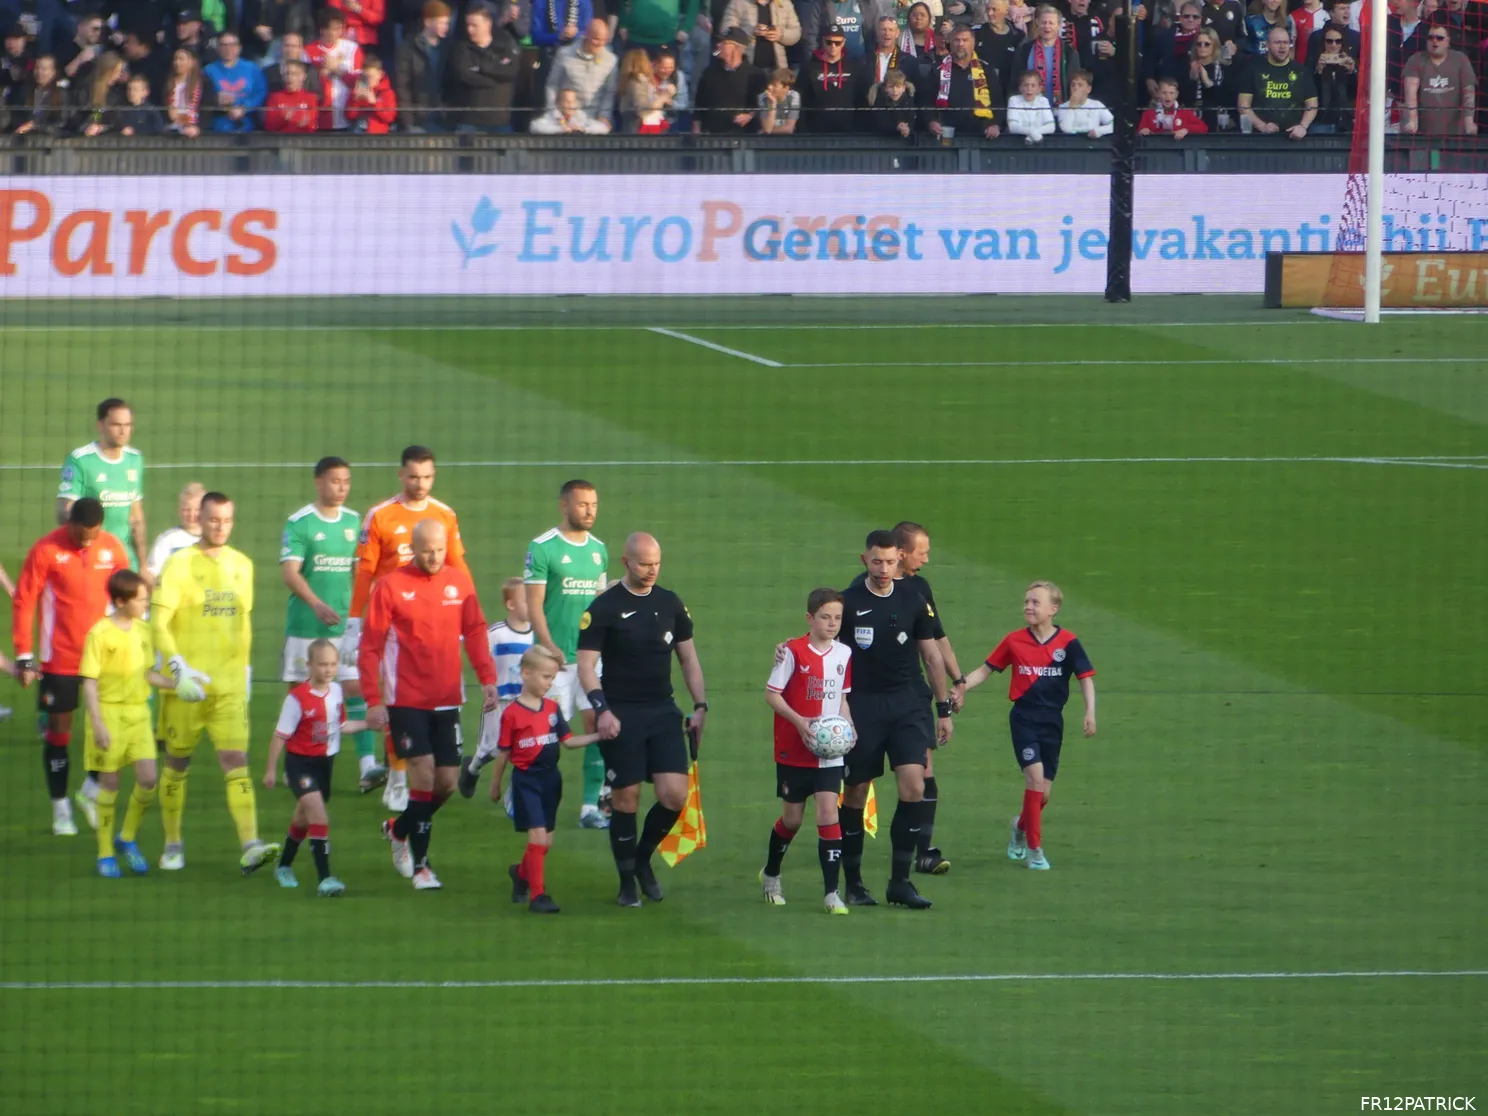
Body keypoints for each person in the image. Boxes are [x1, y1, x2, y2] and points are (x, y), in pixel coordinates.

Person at [359, 520, 499, 891]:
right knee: (421, 776)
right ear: (412, 549)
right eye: (426, 550)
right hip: (405, 701)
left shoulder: (460, 582)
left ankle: (398, 829)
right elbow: (370, 646)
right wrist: (373, 700)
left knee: (447, 783)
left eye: (439, 549)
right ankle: (422, 867)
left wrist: (487, 679)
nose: (433, 557)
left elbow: (475, 630)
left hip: (447, 700)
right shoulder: (390, 586)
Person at [576, 532, 708, 908]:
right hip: (621, 713)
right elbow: (586, 666)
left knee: (674, 795)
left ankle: (642, 860)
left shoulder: (670, 604)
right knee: (626, 799)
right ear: (626, 563)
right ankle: (626, 881)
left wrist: (700, 706)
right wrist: (601, 710)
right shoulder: (603, 607)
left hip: (662, 711)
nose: (651, 571)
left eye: (656, 563)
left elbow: (688, 659)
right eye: (644, 563)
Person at [153, 492, 280, 875]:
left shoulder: (243, 565)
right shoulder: (179, 565)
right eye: (213, 520)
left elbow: (242, 627)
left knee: (235, 762)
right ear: (200, 520)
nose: (220, 527)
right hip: (185, 688)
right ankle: (172, 843)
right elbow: (157, 623)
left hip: (228, 688)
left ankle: (251, 844)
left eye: (226, 520)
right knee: (176, 763)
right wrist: (178, 670)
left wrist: (244, 677)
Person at [346, 444, 468, 811]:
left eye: (427, 476)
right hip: (391, 624)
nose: (420, 484)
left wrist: (465, 613)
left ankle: (410, 773)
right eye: (414, 476)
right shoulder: (380, 516)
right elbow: (365, 571)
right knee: (394, 698)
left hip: (434, 622)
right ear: (401, 475)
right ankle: (398, 777)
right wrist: (355, 620)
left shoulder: (444, 515)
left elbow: (459, 567)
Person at [834, 530, 951, 909]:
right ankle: (853, 883)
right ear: (863, 560)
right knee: (855, 792)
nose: (883, 569)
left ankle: (900, 882)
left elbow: (931, 657)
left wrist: (943, 707)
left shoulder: (913, 599)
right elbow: (827, 651)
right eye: (876, 561)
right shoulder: (848, 603)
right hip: (863, 707)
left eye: (890, 562)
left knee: (914, 787)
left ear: (899, 560)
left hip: (905, 705)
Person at [961, 581, 1096, 871]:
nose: (1028, 607)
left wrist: (1090, 712)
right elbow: (985, 670)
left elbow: (1085, 677)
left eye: (1035, 602)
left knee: (1043, 794)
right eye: (1026, 602)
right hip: (1024, 719)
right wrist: (961, 687)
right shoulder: (1013, 641)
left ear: (1053, 609)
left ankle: (1019, 827)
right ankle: (1035, 851)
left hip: (1052, 723)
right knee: (1034, 780)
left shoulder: (1068, 643)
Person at [12, 498, 128, 836]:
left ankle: (89, 793)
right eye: (83, 534)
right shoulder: (46, 549)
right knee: (59, 734)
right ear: (71, 524)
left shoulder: (111, 547)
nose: (88, 541)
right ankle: (60, 808)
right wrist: (24, 654)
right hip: (59, 659)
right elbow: (24, 599)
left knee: (110, 731)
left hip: (103, 660)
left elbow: (124, 595)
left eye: (94, 534)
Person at [280, 456, 385, 795]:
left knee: (355, 687)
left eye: (346, 482)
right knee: (299, 693)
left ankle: (368, 765)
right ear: (319, 482)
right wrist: (316, 603)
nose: (341, 488)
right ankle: (295, 763)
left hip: (345, 627)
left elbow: (362, 573)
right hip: (305, 626)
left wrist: (364, 611)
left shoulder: (355, 523)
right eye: (335, 481)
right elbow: (290, 573)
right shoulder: (300, 523)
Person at [519, 480, 609, 827]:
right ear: (564, 506)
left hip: (589, 659)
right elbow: (535, 605)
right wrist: (549, 647)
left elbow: (599, 605)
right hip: (551, 661)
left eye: (594, 504)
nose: (590, 511)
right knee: (544, 737)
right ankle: (525, 793)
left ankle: (589, 807)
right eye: (583, 504)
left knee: (598, 724)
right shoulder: (542, 547)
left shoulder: (599, 549)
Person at [486, 645, 602, 914]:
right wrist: (495, 785)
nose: (549, 683)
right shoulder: (512, 713)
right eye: (545, 677)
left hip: (552, 780)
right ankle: (538, 896)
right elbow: (504, 753)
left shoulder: (552, 708)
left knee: (545, 843)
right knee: (537, 836)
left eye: (552, 678)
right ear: (526, 673)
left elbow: (569, 742)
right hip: (527, 781)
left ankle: (520, 873)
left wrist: (598, 736)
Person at [760, 588, 853, 914]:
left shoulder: (844, 654)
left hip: (829, 751)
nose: (832, 623)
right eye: (825, 617)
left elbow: (842, 697)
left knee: (829, 814)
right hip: (792, 750)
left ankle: (831, 893)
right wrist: (800, 722)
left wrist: (849, 728)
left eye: (837, 618)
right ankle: (771, 873)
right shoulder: (791, 652)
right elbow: (772, 695)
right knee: (793, 819)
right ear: (810, 618)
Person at [79, 570, 174, 877]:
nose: (146, 602)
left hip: (138, 716)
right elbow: (89, 683)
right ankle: (105, 853)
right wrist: (98, 725)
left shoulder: (145, 631)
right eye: (141, 598)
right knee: (110, 784)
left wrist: (177, 685)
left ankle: (127, 837)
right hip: (108, 715)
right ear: (121, 601)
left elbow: (148, 673)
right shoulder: (100, 634)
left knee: (148, 780)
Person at [264, 638, 357, 896]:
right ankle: (325, 879)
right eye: (322, 664)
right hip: (300, 765)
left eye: (332, 664)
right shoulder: (296, 699)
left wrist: (370, 724)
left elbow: (342, 726)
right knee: (318, 816)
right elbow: (280, 735)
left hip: (325, 764)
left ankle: (283, 865)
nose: (328, 669)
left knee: (302, 819)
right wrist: (271, 770)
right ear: (309, 665)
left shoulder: (336, 692)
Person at [458, 576, 534, 802]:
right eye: (526, 600)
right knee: (491, 748)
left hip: (525, 702)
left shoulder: (536, 633)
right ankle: (471, 769)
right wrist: (485, 685)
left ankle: (517, 794)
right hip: (499, 701)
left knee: (522, 747)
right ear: (511, 605)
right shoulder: (496, 633)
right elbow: (481, 657)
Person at [58, 397, 147, 578]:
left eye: (128, 425)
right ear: (100, 425)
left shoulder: (134, 459)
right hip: (91, 561)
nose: (123, 431)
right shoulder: (81, 460)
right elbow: (63, 512)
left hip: (125, 561)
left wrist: (143, 565)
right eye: (116, 425)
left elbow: (136, 517)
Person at [1238, 25, 1317, 137]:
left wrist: (1303, 126)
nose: (1282, 47)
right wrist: (1262, 126)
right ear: (1267, 45)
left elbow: (1312, 105)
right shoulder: (1252, 69)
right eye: (1277, 42)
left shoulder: (1302, 71)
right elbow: (1243, 105)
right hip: (1261, 137)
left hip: (1294, 136)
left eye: (1285, 42)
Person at [451, 4, 518, 132]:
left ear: (488, 24)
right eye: (468, 25)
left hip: (500, 121)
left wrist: (481, 68)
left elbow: (511, 72)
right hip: (470, 121)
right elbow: (463, 75)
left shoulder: (504, 47)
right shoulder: (462, 49)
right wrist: (495, 80)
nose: (470, 29)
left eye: (474, 25)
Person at [928, 25, 1002, 140]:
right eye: (957, 40)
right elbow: (926, 101)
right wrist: (931, 121)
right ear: (950, 43)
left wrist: (995, 124)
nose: (960, 44)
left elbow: (998, 102)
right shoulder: (938, 70)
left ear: (973, 43)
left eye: (965, 40)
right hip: (946, 134)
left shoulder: (986, 69)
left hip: (982, 135)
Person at [1401, 24, 1477, 134]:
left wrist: (1469, 121)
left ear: (1448, 42)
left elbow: (1469, 92)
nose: (1434, 41)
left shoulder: (1460, 59)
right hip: (1423, 133)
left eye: (1439, 38)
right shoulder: (1415, 60)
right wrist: (1412, 121)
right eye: (1430, 38)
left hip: (1454, 134)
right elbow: (1410, 94)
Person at [545, 17, 617, 131]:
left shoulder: (611, 60)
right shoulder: (564, 54)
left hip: (594, 119)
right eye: (597, 39)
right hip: (566, 116)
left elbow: (610, 92)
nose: (601, 44)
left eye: (604, 40)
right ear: (587, 35)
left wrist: (604, 115)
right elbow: (552, 85)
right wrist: (553, 112)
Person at [692, 25, 761, 131]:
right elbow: (699, 105)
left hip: (743, 137)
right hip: (712, 136)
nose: (718, 45)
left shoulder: (755, 75)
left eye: (723, 43)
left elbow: (762, 106)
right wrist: (696, 130)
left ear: (736, 47)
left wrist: (750, 116)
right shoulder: (709, 73)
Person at [394, 0, 449, 131]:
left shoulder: (447, 48)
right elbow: (402, 86)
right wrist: (408, 119)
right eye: (441, 23)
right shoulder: (408, 47)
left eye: (447, 23)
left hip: (443, 118)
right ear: (428, 22)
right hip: (418, 119)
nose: (446, 27)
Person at [304, 7, 362, 130]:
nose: (338, 33)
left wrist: (336, 69)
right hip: (319, 115)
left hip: (347, 113)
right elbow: (304, 84)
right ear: (322, 30)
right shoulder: (308, 51)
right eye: (333, 29)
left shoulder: (352, 49)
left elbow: (361, 82)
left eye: (340, 28)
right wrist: (321, 72)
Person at [798, 22, 861, 130]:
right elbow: (801, 99)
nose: (833, 46)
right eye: (829, 42)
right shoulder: (809, 67)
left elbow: (860, 99)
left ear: (843, 42)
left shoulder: (855, 67)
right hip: (816, 129)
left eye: (837, 43)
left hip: (848, 130)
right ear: (823, 41)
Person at [1014, 4, 1077, 103]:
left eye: (1051, 23)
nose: (1047, 26)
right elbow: (1015, 81)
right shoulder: (1025, 50)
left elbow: (1075, 85)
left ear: (1059, 26)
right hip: (1030, 110)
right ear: (1038, 23)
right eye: (1044, 22)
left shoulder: (1070, 53)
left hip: (1061, 110)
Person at [205, 31, 268, 130]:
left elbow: (260, 92)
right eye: (223, 45)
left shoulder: (252, 68)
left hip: (248, 124)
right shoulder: (209, 70)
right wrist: (215, 99)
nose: (228, 49)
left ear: (239, 48)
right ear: (218, 48)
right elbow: (202, 95)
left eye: (232, 45)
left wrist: (244, 108)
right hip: (218, 125)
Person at [146, 483, 205, 581]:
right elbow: (153, 572)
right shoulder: (168, 539)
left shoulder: (210, 538)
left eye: (197, 510)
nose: (191, 514)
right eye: (186, 510)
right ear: (179, 511)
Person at [720, 0, 802, 72]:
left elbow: (796, 32)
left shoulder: (784, 3)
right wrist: (751, 30)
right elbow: (726, 32)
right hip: (746, 69)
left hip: (776, 70)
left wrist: (781, 34)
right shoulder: (738, 3)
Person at [1177, 28, 1233, 130]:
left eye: (1206, 44)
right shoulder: (1185, 67)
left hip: (1216, 120)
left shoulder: (1225, 68)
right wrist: (1193, 78)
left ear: (1214, 46)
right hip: (1191, 120)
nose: (1202, 47)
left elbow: (1224, 99)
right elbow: (1183, 99)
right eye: (1199, 44)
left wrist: (1207, 82)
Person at [617, 0, 697, 56]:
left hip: (667, 40)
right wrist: (623, 24)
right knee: (633, 79)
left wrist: (686, 28)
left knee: (667, 79)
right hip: (635, 38)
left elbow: (693, 3)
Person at [1140, 73, 1208, 134]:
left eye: (1171, 93)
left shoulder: (1185, 112)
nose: (1168, 96)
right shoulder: (1149, 113)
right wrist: (1143, 131)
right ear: (1158, 93)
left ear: (1177, 94)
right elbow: (1139, 132)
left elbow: (1204, 128)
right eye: (1164, 93)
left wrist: (1186, 129)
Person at [264, 57, 321, 127]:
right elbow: (269, 125)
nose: (290, 77)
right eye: (287, 73)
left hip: (303, 137)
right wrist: (284, 119)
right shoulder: (275, 97)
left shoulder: (311, 98)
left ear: (303, 76)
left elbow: (311, 125)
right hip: (281, 137)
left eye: (294, 74)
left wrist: (292, 119)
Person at [346, 49, 396, 129]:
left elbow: (389, 118)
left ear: (380, 74)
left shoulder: (387, 93)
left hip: (378, 135)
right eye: (365, 77)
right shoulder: (357, 89)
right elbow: (350, 116)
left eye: (370, 77)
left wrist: (374, 103)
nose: (367, 80)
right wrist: (355, 100)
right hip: (359, 134)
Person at [1057, 67, 1114, 135]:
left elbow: (1113, 125)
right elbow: (1066, 129)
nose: (1075, 88)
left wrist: (1099, 131)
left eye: (1080, 85)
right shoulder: (1062, 107)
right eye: (1073, 85)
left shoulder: (1097, 105)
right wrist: (1071, 108)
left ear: (1088, 89)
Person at [530, 82, 610, 128]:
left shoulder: (581, 116)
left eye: (573, 102)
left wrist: (584, 129)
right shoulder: (552, 115)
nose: (570, 105)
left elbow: (603, 128)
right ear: (558, 103)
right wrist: (561, 129)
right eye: (567, 101)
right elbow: (535, 126)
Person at [164, 46, 204, 135]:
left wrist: (198, 127)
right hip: (172, 130)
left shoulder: (203, 83)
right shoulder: (167, 84)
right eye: (175, 59)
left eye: (181, 59)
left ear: (192, 62)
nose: (177, 62)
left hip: (194, 130)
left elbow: (206, 110)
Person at [1006, 66, 1055, 137]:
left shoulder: (1044, 101)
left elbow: (1051, 127)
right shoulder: (1013, 100)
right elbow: (1013, 127)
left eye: (1033, 85)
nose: (1029, 89)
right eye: (1026, 85)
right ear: (1020, 88)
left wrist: (1033, 134)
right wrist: (1033, 133)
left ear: (1039, 89)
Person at [759, 64, 801, 130]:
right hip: (767, 140)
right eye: (769, 84)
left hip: (788, 139)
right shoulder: (763, 96)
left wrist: (768, 130)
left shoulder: (793, 96)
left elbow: (789, 129)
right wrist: (772, 104)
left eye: (774, 85)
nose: (769, 87)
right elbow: (766, 128)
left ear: (786, 88)